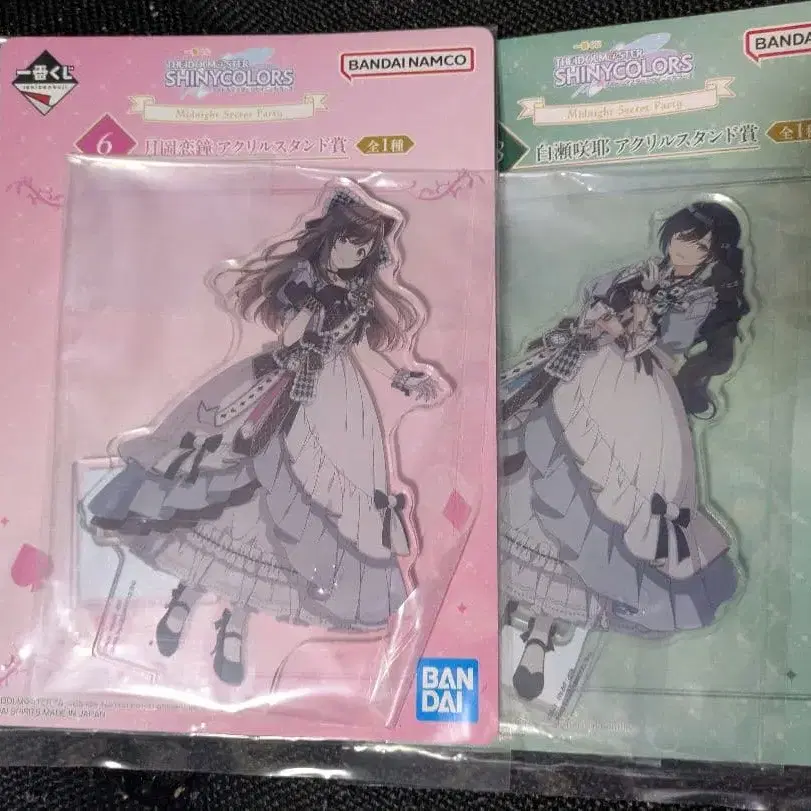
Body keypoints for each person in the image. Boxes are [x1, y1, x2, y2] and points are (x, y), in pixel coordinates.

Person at [82, 183, 438, 686]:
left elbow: (363, 350)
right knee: (230, 489)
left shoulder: (357, 297)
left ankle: (236, 622)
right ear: (330, 237)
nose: (353, 254)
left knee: (287, 519)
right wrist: (308, 316)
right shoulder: (303, 281)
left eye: (364, 249)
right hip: (277, 386)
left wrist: (403, 377)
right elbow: (290, 336)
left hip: (335, 407)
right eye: (348, 242)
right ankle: (185, 598)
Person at [500, 201, 747, 701]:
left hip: (631, 391)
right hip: (578, 367)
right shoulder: (637, 271)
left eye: (699, 245)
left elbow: (667, 350)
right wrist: (591, 325)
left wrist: (627, 328)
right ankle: (520, 615)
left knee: (604, 497)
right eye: (681, 237)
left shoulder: (700, 297)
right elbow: (591, 306)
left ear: (712, 254)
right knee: (530, 459)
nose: (684, 250)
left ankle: (546, 631)